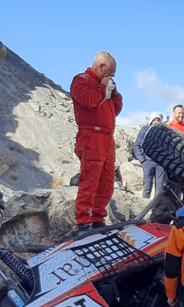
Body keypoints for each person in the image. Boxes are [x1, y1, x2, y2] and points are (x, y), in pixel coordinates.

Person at [70, 51, 123, 230]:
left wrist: (114, 94)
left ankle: (98, 218)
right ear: (101, 67)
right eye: (110, 73)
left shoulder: (103, 87)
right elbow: (89, 101)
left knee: (106, 181)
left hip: (107, 138)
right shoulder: (82, 80)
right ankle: (83, 222)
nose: (112, 77)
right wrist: (102, 87)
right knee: (90, 180)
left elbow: (115, 110)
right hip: (91, 136)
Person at [134, 112, 165, 199]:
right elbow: (137, 145)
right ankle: (144, 207)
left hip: (160, 163)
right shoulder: (145, 130)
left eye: (158, 120)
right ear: (151, 121)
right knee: (147, 187)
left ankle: (157, 208)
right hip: (147, 161)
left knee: (160, 189)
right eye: (154, 120)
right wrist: (142, 160)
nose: (156, 121)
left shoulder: (163, 132)